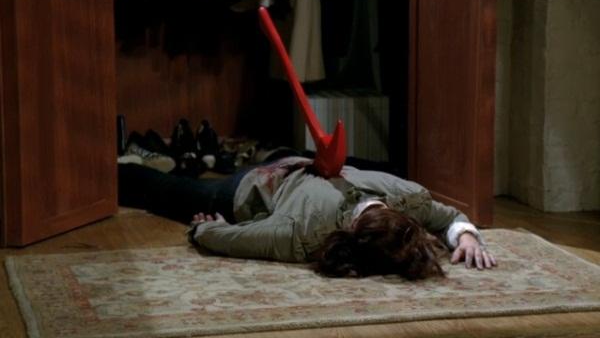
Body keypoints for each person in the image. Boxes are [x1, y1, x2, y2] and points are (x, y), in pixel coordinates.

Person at [118, 155, 496, 280]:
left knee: (183, 188)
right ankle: (117, 169)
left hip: (299, 165)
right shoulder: (300, 233)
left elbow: (449, 217)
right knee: (167, 191)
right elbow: (228, 238)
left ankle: (201, 159)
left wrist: (465, 236)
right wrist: (204, 228)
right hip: (257, 185)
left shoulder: (408, 199)